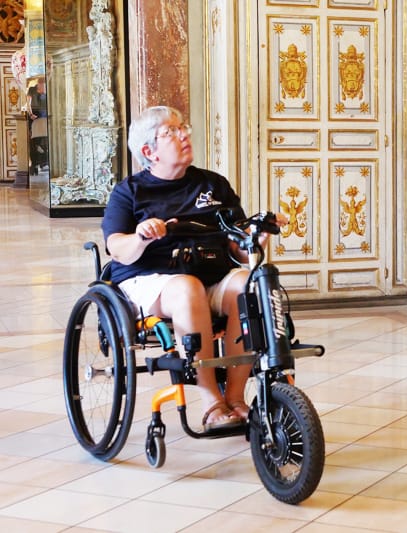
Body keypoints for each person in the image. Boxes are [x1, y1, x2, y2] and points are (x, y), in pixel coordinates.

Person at [102, 105, 286, 430]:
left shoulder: (213, 185)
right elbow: (118, 249)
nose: (184, 134)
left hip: (210, 274)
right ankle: (210, 398)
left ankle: (236, 396)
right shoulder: (129, 192)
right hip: (149, 280)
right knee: (188, 288)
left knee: (247, 284)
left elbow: (240, 252)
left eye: (183, 127)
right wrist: (142, 237)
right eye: (171, 132)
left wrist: (260, 233)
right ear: (149, 151)